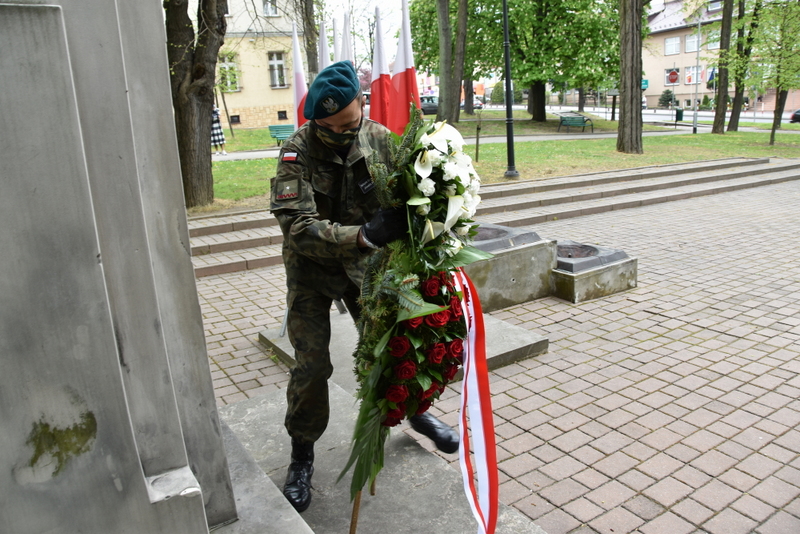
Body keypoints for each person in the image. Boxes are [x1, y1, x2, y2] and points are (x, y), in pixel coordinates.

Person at [269, 61, 459, 513]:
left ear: (362, 105)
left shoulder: (379, 139)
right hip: (312, 270)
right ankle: (301, 455)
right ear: (315, 119)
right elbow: (297, 225)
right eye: (330, 127)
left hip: (366, 271)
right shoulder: (296, 152)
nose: (341, 132)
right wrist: (361, 236)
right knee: (312, 367)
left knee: (395, 344)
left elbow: (407, 196)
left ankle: (414, 411)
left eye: (349, 123)